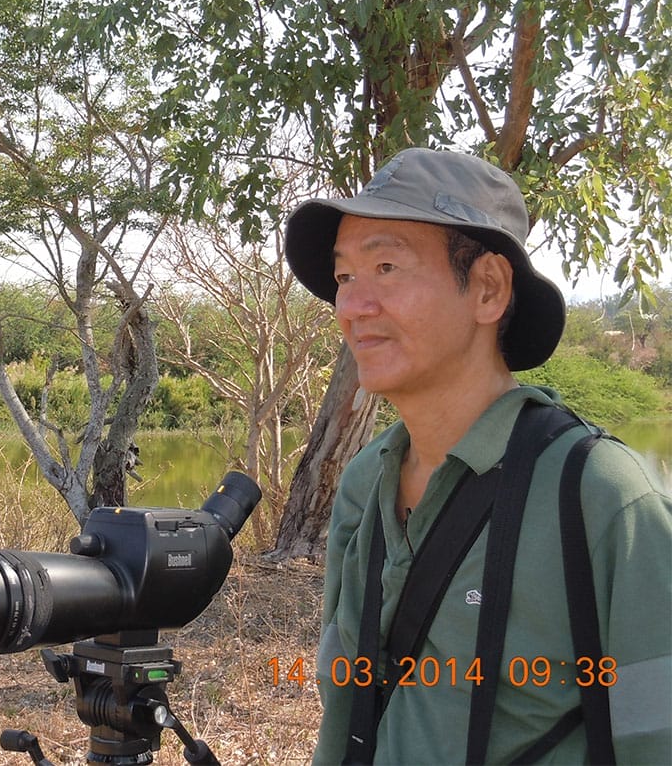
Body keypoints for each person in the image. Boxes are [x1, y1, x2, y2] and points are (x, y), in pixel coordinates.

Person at [283, 147, 672, 764]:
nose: (352, 307)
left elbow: (655, 737)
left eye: (386, 266)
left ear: (488, 289)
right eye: (345, 277)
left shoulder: (600, 495)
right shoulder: (364, 484)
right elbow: (345, 711)